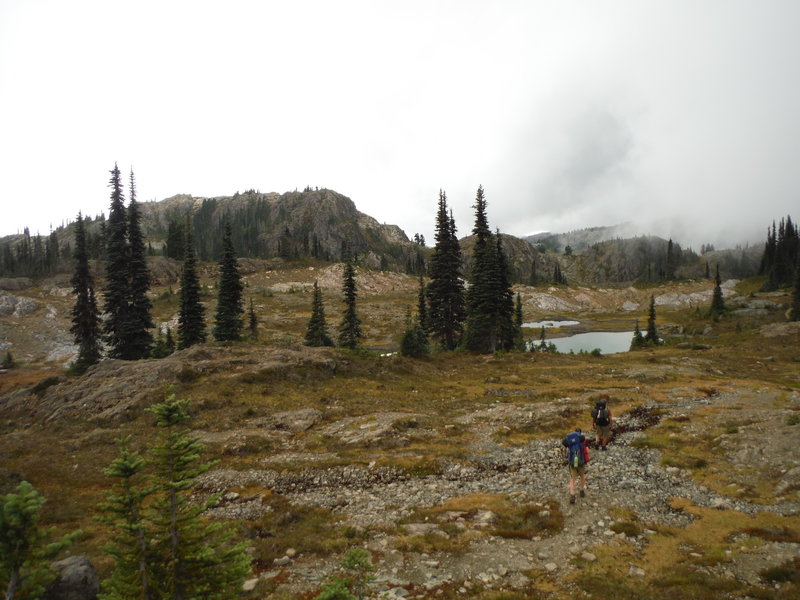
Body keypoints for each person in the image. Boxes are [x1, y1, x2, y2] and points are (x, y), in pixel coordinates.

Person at [562, 428, 588, 504]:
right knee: (582, 476)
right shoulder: (582, 440)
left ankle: (572, 495)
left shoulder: (569, 441)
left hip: (572, 462)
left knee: (572, 479)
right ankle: (581, 490)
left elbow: (567, 450)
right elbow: (586, 451)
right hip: (581, 462)